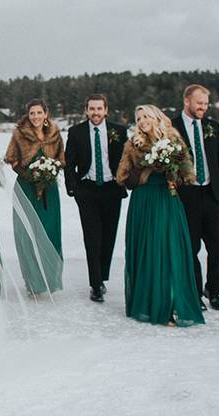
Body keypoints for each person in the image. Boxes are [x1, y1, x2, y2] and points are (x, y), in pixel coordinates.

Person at [116, 105, 204, 327]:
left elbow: (187, 174)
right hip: (144, 201)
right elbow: (125, 180)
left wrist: (171, 168)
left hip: (168, 199)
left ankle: (173, 303)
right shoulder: (132, 144)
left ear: (156, 117)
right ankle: (150, 303)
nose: (142, 121)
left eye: (146, 116)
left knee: (170, 248)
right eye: (138, 118)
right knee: (150, 249)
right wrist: (146, 165)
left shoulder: (173, 139)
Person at [171, 84, 219, 310]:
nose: (203, 108)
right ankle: (195, 293)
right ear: (186, 101)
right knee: (191, 246)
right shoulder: (172, 126)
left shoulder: (212, 126)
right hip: (186, 195)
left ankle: (213, 290)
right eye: (199, 103)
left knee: (218, 243)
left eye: (206, 104)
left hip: (211, 192)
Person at [64, 94, 127, 303]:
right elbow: (69, 163)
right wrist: (73, 187)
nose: (96, 113)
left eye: (99, 109)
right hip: (87, 190)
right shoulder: (76, 132)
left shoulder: (119, 131)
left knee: (108, 237)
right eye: (92, 109)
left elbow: (128, 159)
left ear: (106, 110)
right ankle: (95, 284)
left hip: (112, 190)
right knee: (92, 238)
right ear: (86, 110)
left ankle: (102, 277)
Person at [3, 98, 65, 294]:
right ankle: (33, 283)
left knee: (50, 231)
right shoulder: (19, 134)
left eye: (39, 112)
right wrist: (31, 175)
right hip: (26, 189)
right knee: (28, 235)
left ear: (46, 114)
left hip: (49, 190)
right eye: (32, 113)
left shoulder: (55, 134)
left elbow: (61, 160)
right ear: (28, 115)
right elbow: (12, 160)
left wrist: (49, 172)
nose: (36, 116)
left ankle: (50, 279)